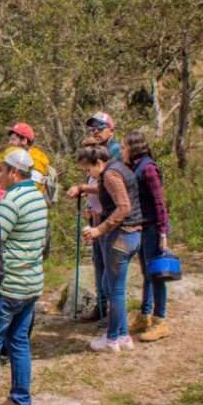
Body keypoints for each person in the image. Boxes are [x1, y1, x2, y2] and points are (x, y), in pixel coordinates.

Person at [0, 147, 48, 405]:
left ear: (14, 172)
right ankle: (20, 399)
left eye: (2, 169)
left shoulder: (11, 202)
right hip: (31, 284)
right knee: (18, 342)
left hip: (6, 286)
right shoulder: (37, 198)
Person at [66, 146, 142, 353]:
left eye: (88, 170)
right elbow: (105, 190)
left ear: (98, 163)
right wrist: (83, 188)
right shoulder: (117, 168)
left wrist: (100, 229)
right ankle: (124, 335)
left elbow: (124, 206)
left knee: (113, 290)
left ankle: (111, 339)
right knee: (113, 287)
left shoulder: (109, 174)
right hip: (133, 235)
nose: (88, 174)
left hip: (121, 237)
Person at [125, 132, 172, 342]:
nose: (122, 149)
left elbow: (159, 201)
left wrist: (163, 232)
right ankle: (145, 315)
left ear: (133, 147)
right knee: (146, 274)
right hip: (143, 228)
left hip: (153, 228)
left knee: (157, 275)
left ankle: (160, 321)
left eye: (125, 146)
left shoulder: (148, 168)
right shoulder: (136, 167)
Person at [77, 135, 108, 323]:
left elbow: (103, 190)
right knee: (98, 265)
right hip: (95, 222)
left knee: (106, 267)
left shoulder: (106, 171)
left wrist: (82, 188)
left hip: (105, 225)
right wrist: (89, 209)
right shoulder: (91, 172)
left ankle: (108, 311)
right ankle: (101, 307)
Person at [6, 122, 51, 197]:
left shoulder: (36, 160)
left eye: (13, 139)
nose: (9, 143)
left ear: (24, 141)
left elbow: (33, 188)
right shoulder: (20, 157)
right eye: (9, 140)